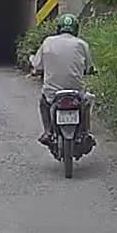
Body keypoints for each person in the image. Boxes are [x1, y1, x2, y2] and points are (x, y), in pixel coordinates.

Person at [30, 13, 94, 145]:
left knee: (43, 102)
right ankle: (85, 132)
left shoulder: (48, 42)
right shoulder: (82, 44)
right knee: (86, 102)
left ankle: (48, 132)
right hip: (76, 92)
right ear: (76, 29)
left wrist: (36, 70)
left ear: (58, 28)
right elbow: (89, 67)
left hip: (52, 93)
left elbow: (37, 65)